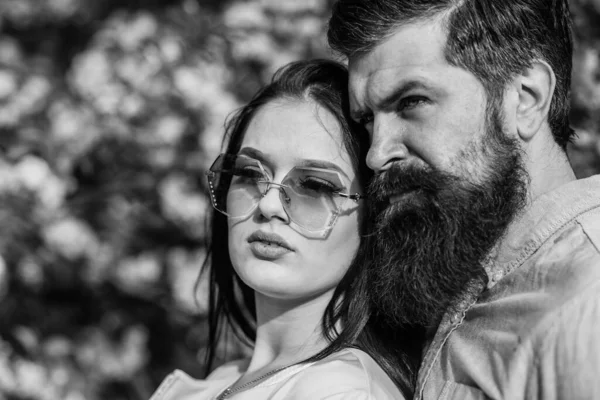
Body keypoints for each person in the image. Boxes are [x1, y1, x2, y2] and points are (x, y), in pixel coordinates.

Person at [327, 1, 600, 399]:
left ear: (526, 98)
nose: (376, 153)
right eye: (367, 119)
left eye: (411, 102)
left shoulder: (587, 301)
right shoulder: (458, 280)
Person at [149, 59, 414, 400]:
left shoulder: (342, 391)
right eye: (250, 174)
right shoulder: (225, 378)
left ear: (375, 214)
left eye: (315, 186)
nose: (269, 204)